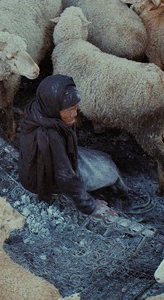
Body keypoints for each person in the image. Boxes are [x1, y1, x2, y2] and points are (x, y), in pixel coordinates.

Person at [18, 74, 122, 219]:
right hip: (43, 180)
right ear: (54, 107)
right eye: (69, 110)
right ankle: (122, 192)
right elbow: (65, 176)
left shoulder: (37, 110)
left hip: (30, 170)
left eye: (75, 107)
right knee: (108, 172)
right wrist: (90, 206)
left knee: (102, 158)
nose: (74, 114)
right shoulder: (50, 136)